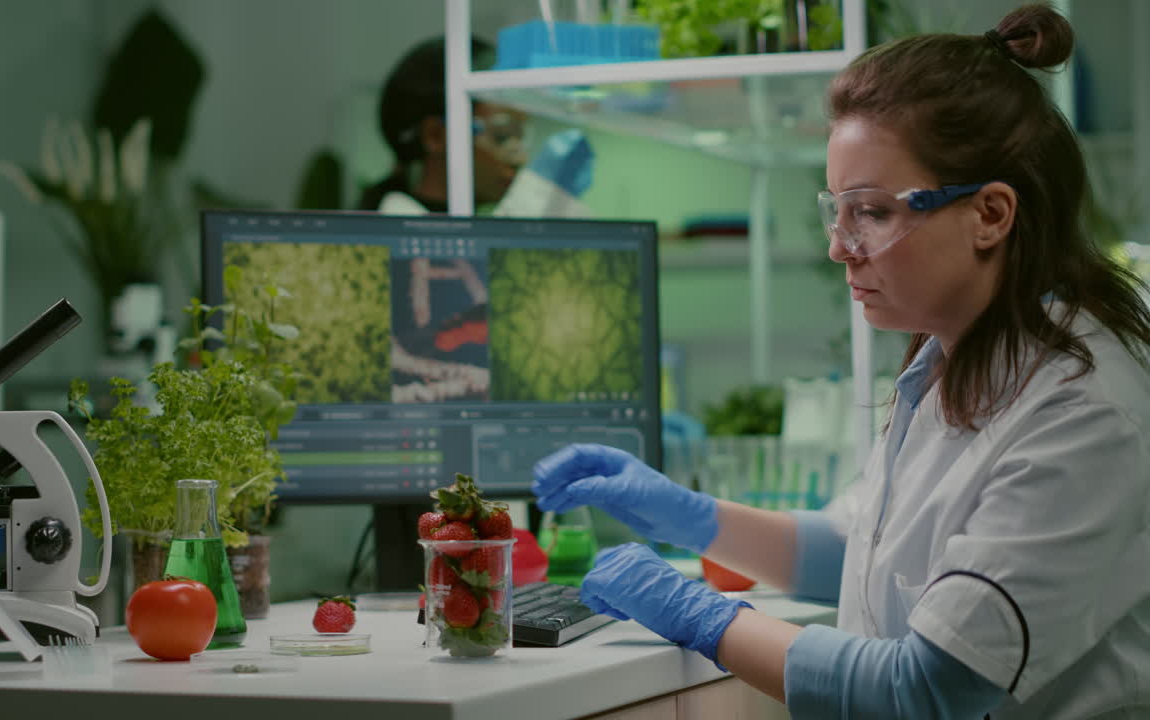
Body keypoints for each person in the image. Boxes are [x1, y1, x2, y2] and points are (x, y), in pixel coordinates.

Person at [532, 5, 1150, 718]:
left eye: (873, 212)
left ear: (990, 214)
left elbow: (927, 688)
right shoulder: (956, 361)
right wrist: (687, 515)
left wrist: (703, 617)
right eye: (838, 209)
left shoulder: (1081, 414)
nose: (839, 246)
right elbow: (861, 555)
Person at [357, 36, 528, 214]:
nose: (520, 158)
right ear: (435, 135)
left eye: (521, 136)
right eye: (501, 136)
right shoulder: (402, 233)